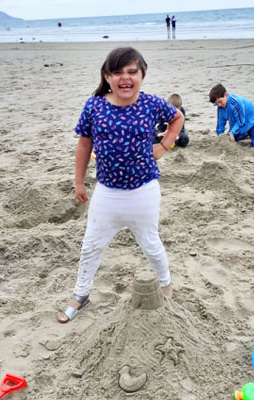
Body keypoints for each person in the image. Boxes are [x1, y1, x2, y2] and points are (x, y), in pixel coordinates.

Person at [58, 47, 184, 323]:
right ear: (107, 76)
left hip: (144, 191)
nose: (124, 78)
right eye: (117, 72)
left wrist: (164, 145)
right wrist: (78, 182)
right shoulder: (94, 106)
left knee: (151, 244)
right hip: (107, 194)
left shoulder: (152, 104)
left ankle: (166, 287)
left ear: (142, 75)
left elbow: (177, 117)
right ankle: (81, 295)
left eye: (131, 72)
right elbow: (83, 146)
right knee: (91, 246)